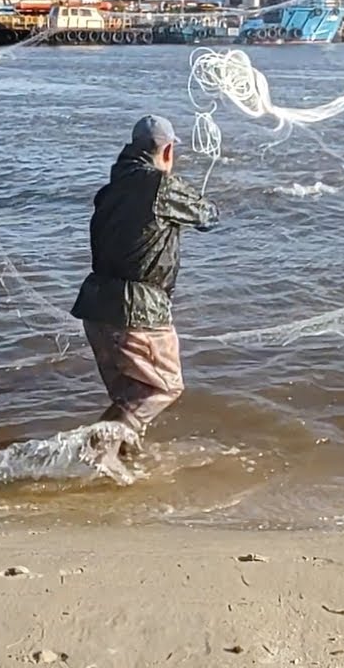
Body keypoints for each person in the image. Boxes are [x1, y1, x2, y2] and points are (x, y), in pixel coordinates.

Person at [71, 115, 219, 453]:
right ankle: (91, 450)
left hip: (95, 306)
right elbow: (208, 216)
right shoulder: (161, 186)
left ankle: (120, 465)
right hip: (137, 309)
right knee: (162, 388)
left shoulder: (109, 190)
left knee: (130, 398)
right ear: (167, 151)